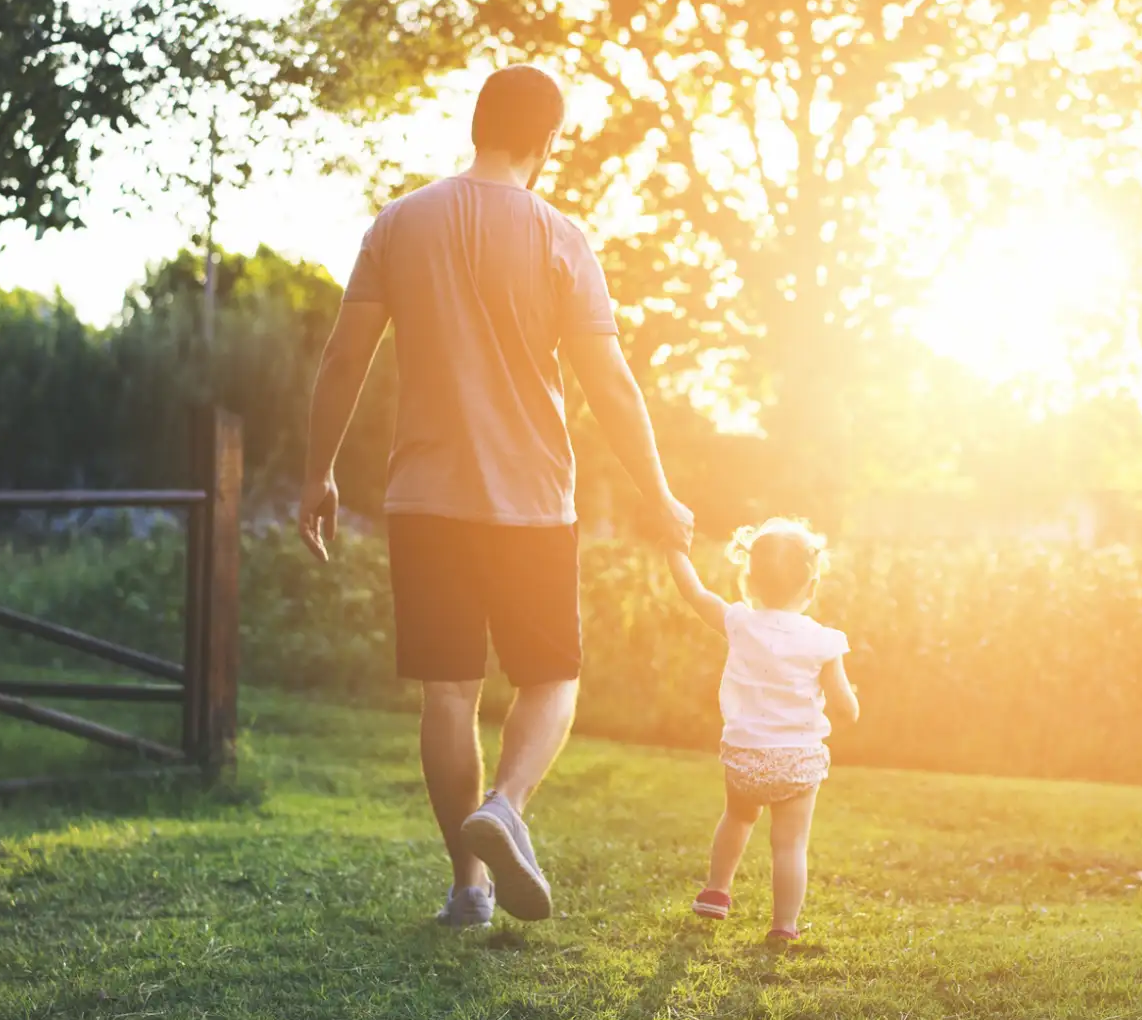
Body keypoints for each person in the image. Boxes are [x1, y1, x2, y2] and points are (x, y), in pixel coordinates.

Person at [299, 64, 694, 929]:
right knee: (552, 679)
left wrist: (317, 472)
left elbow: (343, 359)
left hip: (424, 496)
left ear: (477, 124)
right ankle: (507, 805)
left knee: (448, 694)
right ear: (546, 141)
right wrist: (658, 494)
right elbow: (611, 386)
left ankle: (468, 888)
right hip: (530, 500)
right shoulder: (561, 236)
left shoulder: (398, 223)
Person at [663, 518, 860, 943]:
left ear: (748, 580)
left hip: (745, 756)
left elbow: (696, 594)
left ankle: (717, 890)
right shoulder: (824, 641)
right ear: (811, 587)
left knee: (737, 817)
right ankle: (783, 927)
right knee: (789, 846)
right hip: (797, 760)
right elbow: (846, 709)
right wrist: (849, 703)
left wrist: (675, 549)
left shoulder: (740, 622)